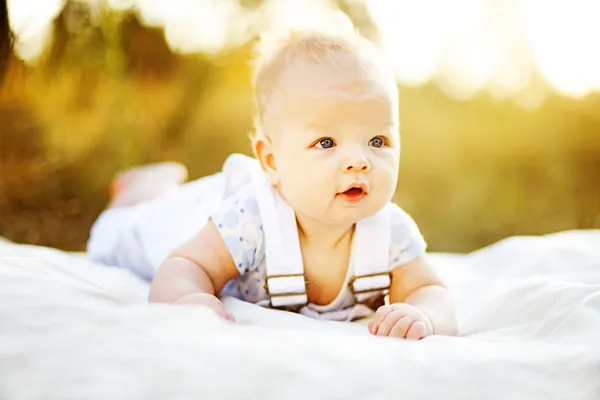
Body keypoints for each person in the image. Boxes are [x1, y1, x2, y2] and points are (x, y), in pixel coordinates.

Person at [88, 28, 458, 340]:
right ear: (271, 161)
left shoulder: (389, 231)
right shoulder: (251, 221)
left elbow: (431, 291)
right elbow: (186, 263)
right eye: (326, 143)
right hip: (195, 218)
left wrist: (422, 315)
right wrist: (188, 298)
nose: (359, 159)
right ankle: (144, 189)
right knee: (122, 233)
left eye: (377, 141)